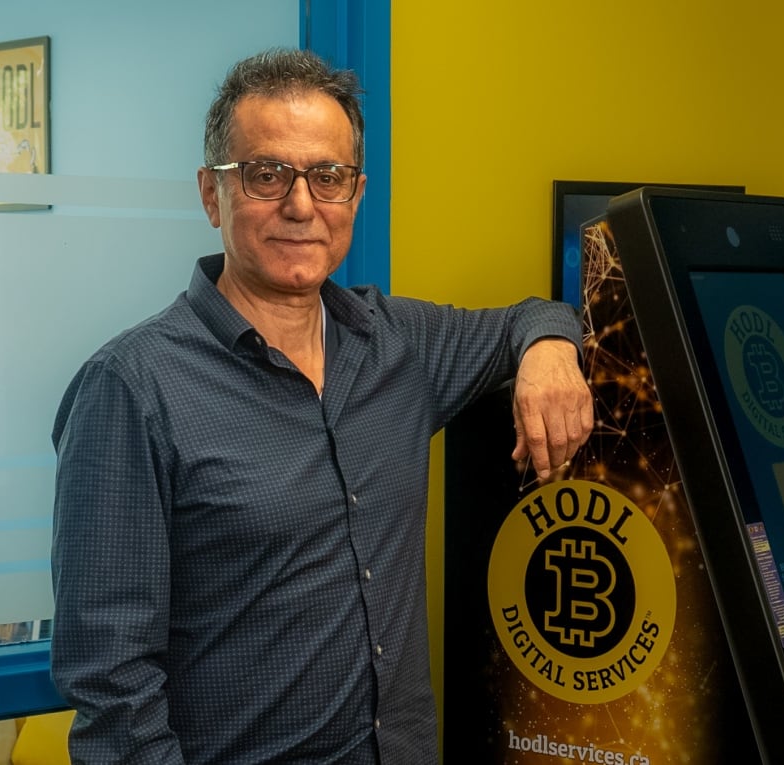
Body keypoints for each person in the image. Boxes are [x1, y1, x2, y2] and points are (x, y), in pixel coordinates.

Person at [49, 48, 593, 764]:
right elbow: (113, 691)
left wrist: (551, 348)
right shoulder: (131, 388)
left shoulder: (400, 343)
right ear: (213, 194)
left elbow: (531, 316)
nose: (301, 205)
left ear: (356, 195)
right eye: (267, 174)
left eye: (327, 177)